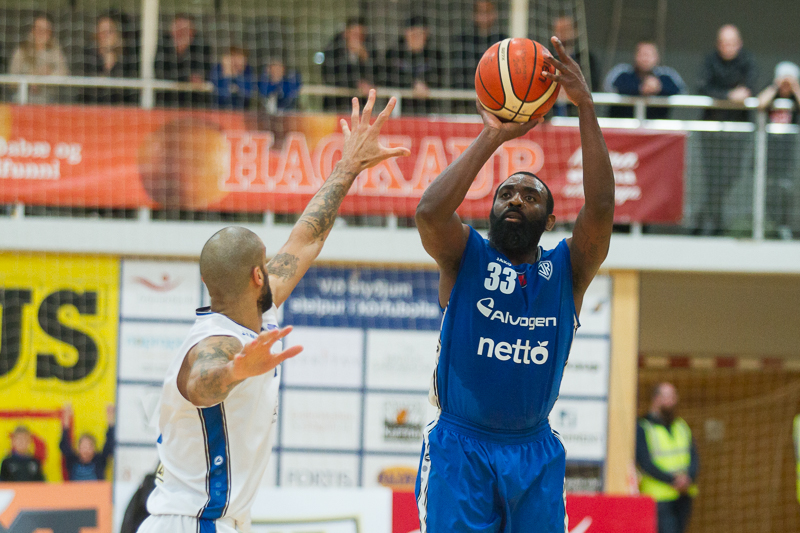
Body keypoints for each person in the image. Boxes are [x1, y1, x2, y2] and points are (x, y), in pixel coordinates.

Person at [137, 90, 409, 533]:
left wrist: (348, 166)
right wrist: (235, 371)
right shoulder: (216, 342)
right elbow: (201, 381)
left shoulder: (258, 310)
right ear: (257, 276)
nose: (275, 264)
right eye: (267, 261)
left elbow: (307, 237)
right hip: (194, 523)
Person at [414, 36, 614, 532]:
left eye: (530, 195)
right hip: (460, 447)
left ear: (550, 220)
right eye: (506, 193)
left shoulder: (568, 269)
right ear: (490, 210)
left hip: (533, 451)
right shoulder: (466, 256)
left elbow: (601, 209)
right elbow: (429, 212)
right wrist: (493, 136)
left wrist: (586, 106)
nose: (516, 200)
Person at [696, 25, 758, 235]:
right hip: (711, 130)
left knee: (731, 175)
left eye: (731, 43)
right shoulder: (710, 61)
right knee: (712, 177)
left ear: (739, 44)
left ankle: (703, 218)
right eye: (724, 43)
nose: (728, 47)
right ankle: (714, 223)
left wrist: (733, 95)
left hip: (738, 131)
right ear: (718, 44)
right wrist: (729, 96)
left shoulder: (747, 61)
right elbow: (703, 87)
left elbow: (750, 88)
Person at [637, 383, 699, 533]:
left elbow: (694, 457)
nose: (671, 401)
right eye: (667, 396)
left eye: (673, 396)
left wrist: (688, 478)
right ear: (656, 399)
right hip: (659, 496)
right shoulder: (643, 427)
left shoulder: (681, 426)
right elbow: (645, 463)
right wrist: (672, 480)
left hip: (683, 494)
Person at [757, 61, 800, 239]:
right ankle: (766, 227)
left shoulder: (794, 98)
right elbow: (760, 103)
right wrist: (776, 85)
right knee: (767, 192)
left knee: (787, 193)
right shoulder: (772, 93)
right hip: (768, 153)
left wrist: (795, 87)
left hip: (789, 156)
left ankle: (784, 227)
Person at [603, 41, 686, 119]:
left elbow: (682, 91)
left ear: (657, 57)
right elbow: (608, 87)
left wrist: (659, 87)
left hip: (657, 126)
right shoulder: (622, 72)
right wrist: (639, 88)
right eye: (642, 54)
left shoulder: (666, 75)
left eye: (649, 55)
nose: (646, 58)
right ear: (635, 56)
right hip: (623, 125)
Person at [383, 16, 444, 115]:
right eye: (413, 34)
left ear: (426, 35)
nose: (416, 38)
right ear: (405, 33)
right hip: (399, 110)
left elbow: (438, 80)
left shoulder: (435, 54)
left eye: (420, 34)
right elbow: (387, 79)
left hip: (427, 111)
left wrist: (424, 85)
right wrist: (412, 84)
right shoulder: (393, 53)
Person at [320, 17, 380, 112]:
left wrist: (366, 59)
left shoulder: (370, 51)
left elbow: (379, 75)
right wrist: (356, 84)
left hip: (360, 107)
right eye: (354, 34)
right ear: (346, 33)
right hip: (335, 106)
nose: (357, 39)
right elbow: (330, 77)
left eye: (361, 35)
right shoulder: (333, 50)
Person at [9, 13, 69, 104]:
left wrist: (47, 75)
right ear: (32, 30)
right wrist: (30, 79)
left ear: (51, 33)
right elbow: (11, 80)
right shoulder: (21, 51)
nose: (41, 33)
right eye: (38, 29)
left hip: (48, 103)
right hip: (22, 102)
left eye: (46, 30)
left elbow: (64, 74)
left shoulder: (55, 52)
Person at [154, 14, 212, 107]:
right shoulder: (163, 44)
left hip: (195, 103)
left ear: (192, 32)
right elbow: (159, 72)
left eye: (184, 30)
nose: (180, 34)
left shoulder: (202, 47)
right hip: (166, 101)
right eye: (177, 29)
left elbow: (203, 74)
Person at [80, 14, 139, 104]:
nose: (105, 36)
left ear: (117, 34)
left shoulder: (128, 62)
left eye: (109, 32)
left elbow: (132, 95)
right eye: (102, 32)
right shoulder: (88, 60)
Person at [551, 15, 601, 117]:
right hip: (551, 112)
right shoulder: (548, 57)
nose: (562, 33)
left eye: (566, 29)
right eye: (559, 30)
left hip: (577, 113)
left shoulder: (587, 58)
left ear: (575, 31)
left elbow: (594, 84)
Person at [451, 0, 507, 90]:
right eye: (481, 12)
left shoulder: (503, 41)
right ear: (474, 14)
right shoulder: (463, 41)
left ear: (495, 13)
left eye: (488, 11)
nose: (484, 17)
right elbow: (457, 75)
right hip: (467, 93)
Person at [60, 403, 116, 481]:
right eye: (83, 447)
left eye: (89, 447)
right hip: (76, 489)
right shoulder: (72, 460)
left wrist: (110, 420)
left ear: (94, 449)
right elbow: (64, 445)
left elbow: (109, 445)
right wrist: (66, 418)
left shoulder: (99, 461)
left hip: (96, 489)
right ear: (78, 449)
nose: (86, 451)